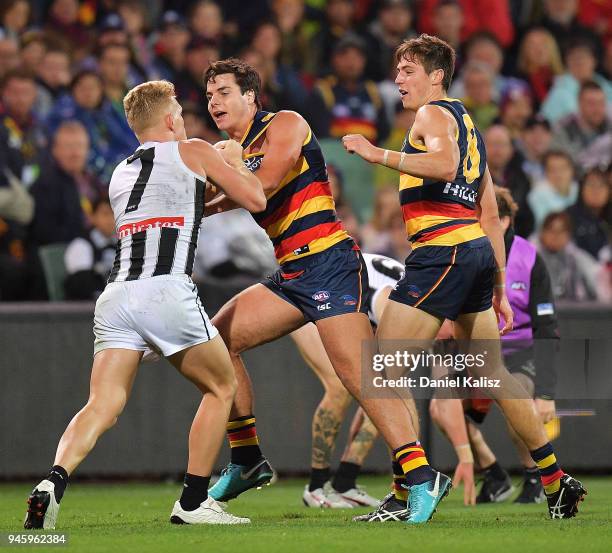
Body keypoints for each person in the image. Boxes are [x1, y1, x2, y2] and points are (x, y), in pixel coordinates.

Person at [342, 33, 586, 521]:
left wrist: (377, 154)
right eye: (397, 71)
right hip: (473, 252)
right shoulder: (468, 121)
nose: (398, 80)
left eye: (407, 70)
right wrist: (497, 285)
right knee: (492, 374)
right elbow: (490, 210)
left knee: (382, 372)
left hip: (442, 252)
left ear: (436, 75)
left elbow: (444, 163)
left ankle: (408, 488)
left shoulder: (431, 116)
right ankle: (557, 480)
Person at [23, 79, 267, 530]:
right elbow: (256, 197)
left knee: (103, 403)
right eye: (179, 110)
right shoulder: (194, 150)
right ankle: (194, 502)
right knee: (222, 387)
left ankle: (53, 482)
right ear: (172, 119)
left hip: (116, 296)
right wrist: (232, 159)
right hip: (165, 288)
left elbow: (188, 204)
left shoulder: (121, 172)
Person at [202, 58, 425, 522]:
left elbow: (260, 190)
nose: (214, 102)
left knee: (358, 377)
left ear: (250, 96)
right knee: (218, 342)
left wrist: (226, 166)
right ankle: (246, 460)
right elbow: (224, 198)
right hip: (292, 274)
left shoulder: (285, 123)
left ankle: (421, 478)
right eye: (208, 95)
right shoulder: (238, 151)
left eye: (223, 91)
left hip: (330, 263)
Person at [430, 186, 560, 506]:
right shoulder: (465, 254)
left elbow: (546, 326)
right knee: (441, 408)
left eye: (479, 216)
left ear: (502, 221)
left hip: (518, 351)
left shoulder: (529, 258)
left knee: (519, 395)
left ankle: (536, 477)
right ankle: (494, 474)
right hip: (474, 351)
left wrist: (546, 394)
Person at [295, 253, 404, 509]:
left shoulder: (412, 305)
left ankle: (345, 481)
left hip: (339, 305)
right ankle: (315, 487)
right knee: (338, 386)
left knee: (381, 392)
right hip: (310, 299)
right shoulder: (394, 304)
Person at [63, 196, 117, 300]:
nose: (111, 219)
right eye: (105, 214)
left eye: (114, 214)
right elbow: (81, 284)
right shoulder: (81, 244)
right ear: (93, 217)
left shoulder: (123, 244)